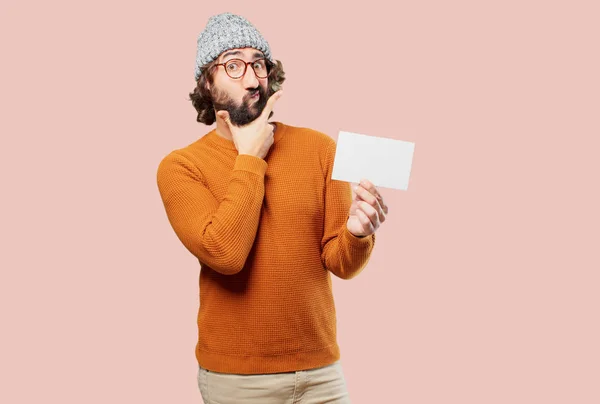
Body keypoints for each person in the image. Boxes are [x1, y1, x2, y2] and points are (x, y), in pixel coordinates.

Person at [156, 12, 389, 404]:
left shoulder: (319, 148)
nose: (251, 79)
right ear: (207, 82)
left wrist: (357, 233)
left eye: (258, 64)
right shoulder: (180, 167)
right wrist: (250, 157)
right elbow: (225, 254)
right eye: (233, 65)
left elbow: (341, 263)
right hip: (237, 381)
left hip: (322, 374)